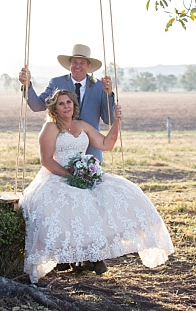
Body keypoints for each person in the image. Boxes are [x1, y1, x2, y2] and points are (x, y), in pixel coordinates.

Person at [19, 89, 174, 284]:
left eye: (69, 102)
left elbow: (105, 143)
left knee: (120, 193)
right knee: (66, 202)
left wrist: (116, 122)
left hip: (83, 174)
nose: (66, 106)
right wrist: (71, 175)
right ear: (54, 108)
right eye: (61, 103)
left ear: (74, 105)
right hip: (57, 175)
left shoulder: (82, 125)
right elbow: (47, 160)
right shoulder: (50, 128)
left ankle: (93, 254)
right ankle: (73, 257)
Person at [19, 44, 116, 162]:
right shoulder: (56, 82)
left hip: (92, 153)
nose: (78, 66)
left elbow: (108, 119)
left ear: (89, 66)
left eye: (82, 63)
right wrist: (27, 85)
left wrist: (109, 95)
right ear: (69, 64)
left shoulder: (100, 86)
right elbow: (37, 105)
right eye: (74, 62)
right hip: (64, 152)